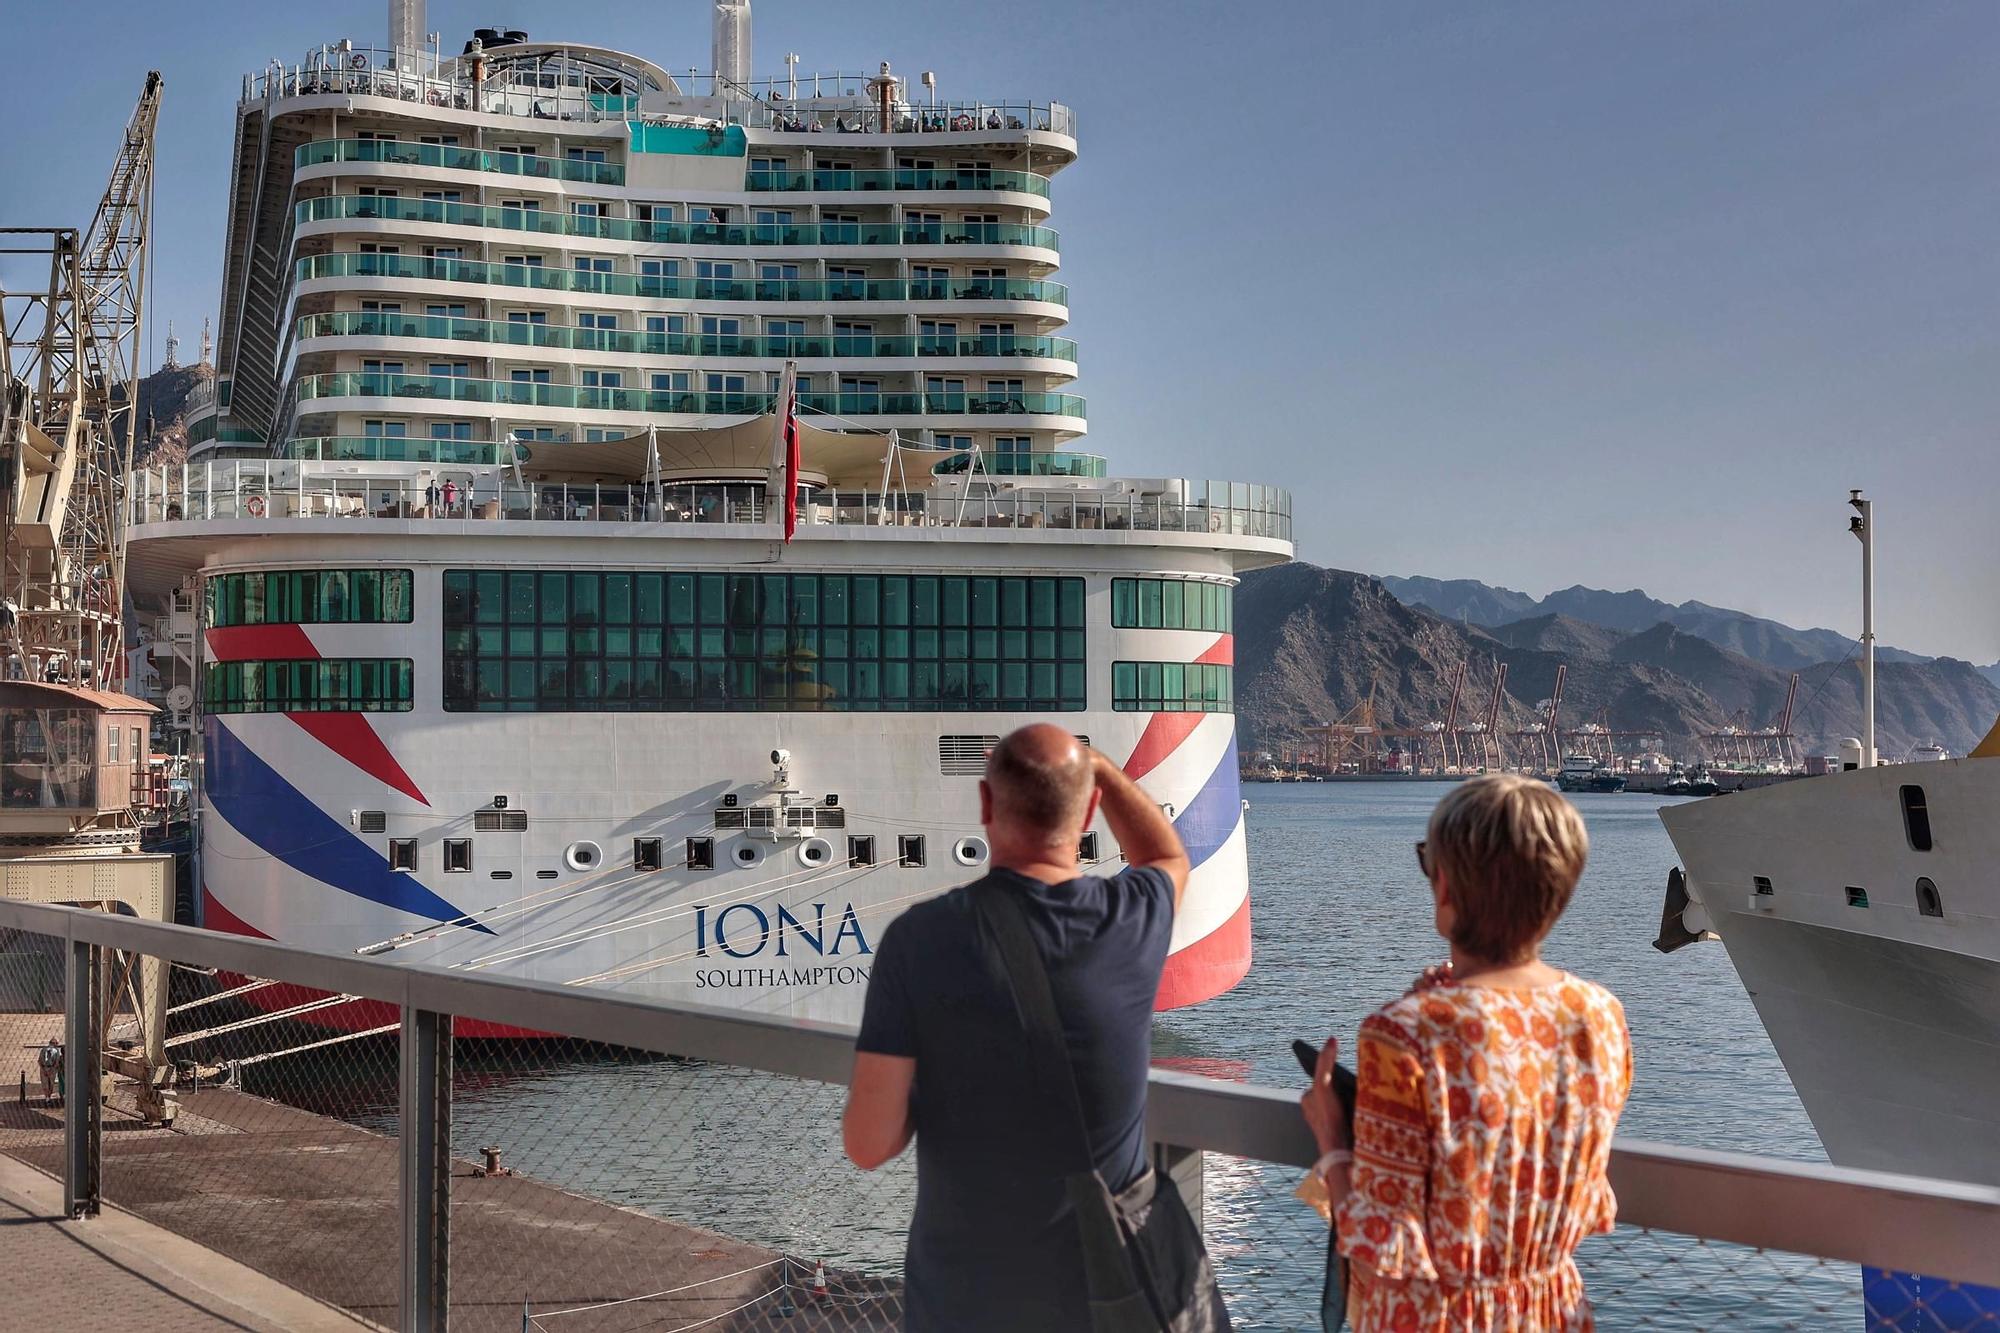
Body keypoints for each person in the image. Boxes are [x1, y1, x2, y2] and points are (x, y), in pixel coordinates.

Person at [843, 725, 1194, 1332]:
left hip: (962, 1302)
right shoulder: (1130, 921)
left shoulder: (918, 939)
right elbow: (1167, 856)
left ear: (985, 805)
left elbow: (869, 1144)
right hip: (1104, 1303)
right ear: (1089, 812)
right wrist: (1101, 770)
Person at [1298, 775, 1631, 1332]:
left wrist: (1331, 1137)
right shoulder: (1598, 1014)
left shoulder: (1402, 1034)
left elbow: (1380, 1245)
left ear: (1446, 886)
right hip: (1551, 1310)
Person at [37, 1036, 61, 1104]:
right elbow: (39, 1060)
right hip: (45, 1067)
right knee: (45, 1084)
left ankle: (48, 1097)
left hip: (51, 1068)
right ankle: (47, 1097)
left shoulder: (56, 1051)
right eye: (55, 1043)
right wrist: (43, 1069)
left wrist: (51, 1070)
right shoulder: (44, 1050)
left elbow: (56, 1062)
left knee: (50, 1084)